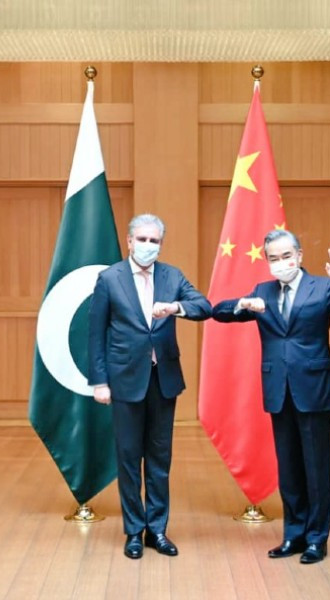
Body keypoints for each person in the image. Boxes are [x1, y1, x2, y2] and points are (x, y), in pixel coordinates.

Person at [211, 229, 330, 564]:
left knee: (316, 467)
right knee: (290, 468)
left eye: (286, 256)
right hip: (279, 390)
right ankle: (293, 535)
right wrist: (242, 304)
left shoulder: (323, 287)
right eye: (274, 258)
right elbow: (218, 312)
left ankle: (316, 539)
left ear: (299, 255)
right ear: (266, 260)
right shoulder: (263, 290)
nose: (281, 263)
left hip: (315, 390)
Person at [88, 213, 212, 559]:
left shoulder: (172, 276)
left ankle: (157, 530)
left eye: (153, 241)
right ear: (129, 242)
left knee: (159, 459)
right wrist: (99, 381)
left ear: (161, 244)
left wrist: (176, 307)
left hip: (163, 380)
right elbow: (95, 334)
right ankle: (133, 531)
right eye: (141, 240)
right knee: (128, 459)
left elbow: (204, 306)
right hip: (124, 381)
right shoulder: (109, 278)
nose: (147, 246)